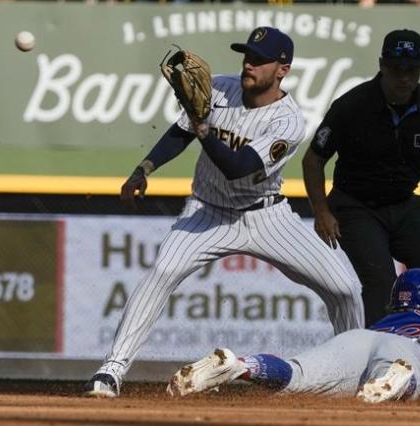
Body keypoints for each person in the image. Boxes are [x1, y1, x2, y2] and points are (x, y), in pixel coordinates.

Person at [84, 27, 365, 398]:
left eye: (260, 59)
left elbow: (238, 166)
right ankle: (111, 371)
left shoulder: (288, 121)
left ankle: (354, 375)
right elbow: (180, 131)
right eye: (247, 55)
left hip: (267, 218)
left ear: (283, 69)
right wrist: (144, 168)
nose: (249, 63)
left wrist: (203, 128)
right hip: (208, 212)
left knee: (346, 288)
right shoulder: (220, 88)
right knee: (162, 272)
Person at [302, 29, 420, 327]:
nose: (404, 78)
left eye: (412, 70)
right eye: (397, 69)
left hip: (404, 205)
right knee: (380, 282)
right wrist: (322, 212)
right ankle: (379, 361)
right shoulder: (351, 105)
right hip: (356, 207)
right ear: (382, 66)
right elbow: (313, 160)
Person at [167, 268, 420, 403]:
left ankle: (241, 365)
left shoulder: (387, 319)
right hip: (406, 351)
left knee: (296, 374)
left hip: (358, 338)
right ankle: (397, 377)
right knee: (408, 376)